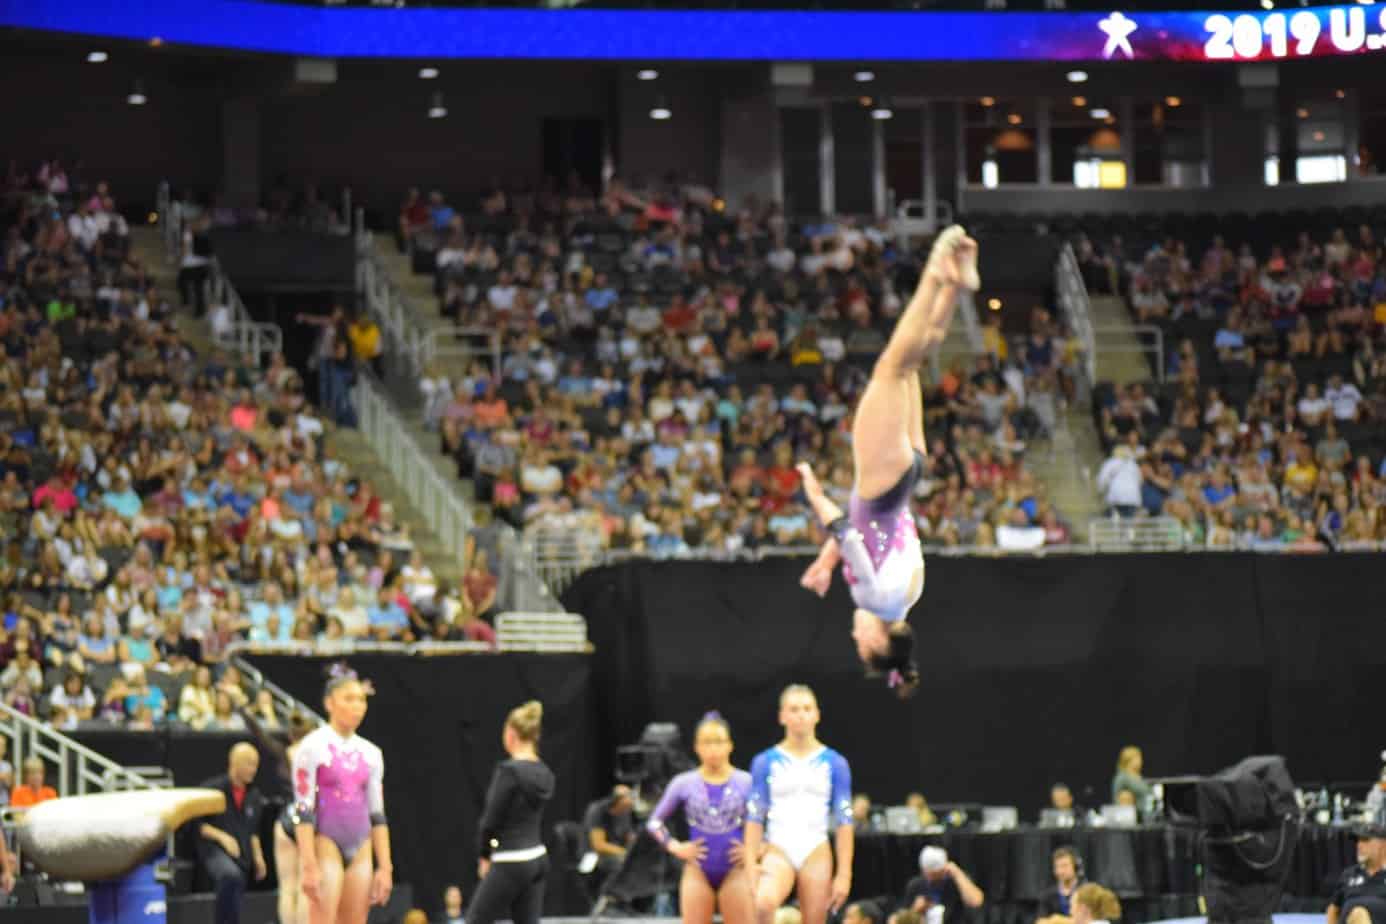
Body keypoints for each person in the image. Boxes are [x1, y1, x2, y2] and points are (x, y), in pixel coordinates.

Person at [795, 227, 980, 699]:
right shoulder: (873, 598)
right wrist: (814, 493)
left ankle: (954, 286)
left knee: (909, 364)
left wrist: (824, 563)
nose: (853, 635)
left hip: (907, 475)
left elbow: (866, 540)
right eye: (860, 645)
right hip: (881, 487)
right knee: (892, 366)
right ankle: (935, 272)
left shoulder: (907, 596)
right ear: (878, 642)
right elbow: (847, 531)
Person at [744, 685, 854, 924]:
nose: (801, 715)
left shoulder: (835, 763)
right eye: (794, 709)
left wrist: (844, 874)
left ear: (817, 715)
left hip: (815, 849)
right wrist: (750, 863)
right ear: (782, 716)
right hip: (778, 848)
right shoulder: (765, 762)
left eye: (806, 709)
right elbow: (754, 816)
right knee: (763, 902)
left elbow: (845, 821)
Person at [294, 664, 393, 924]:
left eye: (361, 699)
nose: (357, 706)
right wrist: (308, 865)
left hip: (361, 845)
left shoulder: (372, 753)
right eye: (348, 699)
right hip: (326, 841)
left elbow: (377, 813)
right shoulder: (312, 747)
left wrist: (385, 867)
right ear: (329, 703)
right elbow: (303, 809)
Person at [647, 712, 755, 924]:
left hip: (736, 869)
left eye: (719, 742)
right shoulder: (684, 783)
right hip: (698, 870)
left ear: (730, 745)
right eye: (706, 742)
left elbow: (770, 822)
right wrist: (674, 846)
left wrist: (754, 851)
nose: (713, 749)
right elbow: (654, 822)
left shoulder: (746, 782)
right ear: (697, 747)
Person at [469, 700, 555, 924]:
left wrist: (485, 855)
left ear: (511, 734)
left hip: (511, 859)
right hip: (537, 858)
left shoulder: (509, 772)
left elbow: (490, 822)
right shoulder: (545, 772)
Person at [198, 742, 269, 924]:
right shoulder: (212, 790)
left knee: (237, 882)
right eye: (249, 763)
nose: (253, 769)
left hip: (241, 854)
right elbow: (198, 825)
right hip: (214, 850)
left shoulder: (254, 795)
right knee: (230, 875)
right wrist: (222, 837)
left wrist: (258, 856)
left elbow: (254, 831)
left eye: (256, 765)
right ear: (234, 762)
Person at [1326, 815, 1386, 924]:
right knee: (1358, 913)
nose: (1359, 845)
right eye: (1358, 841)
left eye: (1365, 840)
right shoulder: (1349, 874)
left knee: (1359, 913)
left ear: (1382, 844)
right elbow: (1333, 909)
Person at [903, 847, 985, 924]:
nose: (931, 879)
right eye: (928, 873)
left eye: (936, 874)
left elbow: (976, 902)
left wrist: (957, 873)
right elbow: (901, 919)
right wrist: (915, 910)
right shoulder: (915, 885)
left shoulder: (956, 881)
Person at [584, 784, 637, 882]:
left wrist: (637, 846)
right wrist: (624, 852)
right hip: (594, 855)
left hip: (617, 852)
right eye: (629, 796)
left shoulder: (625, 812)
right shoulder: (597, 811)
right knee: (624, 865)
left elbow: (629, 836)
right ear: (618, 800)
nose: (633, 799)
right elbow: (598, 845)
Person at [1036, 847, 1085, 924]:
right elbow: (1040, 922)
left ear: (1076, 867)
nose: (1060, 871)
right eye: (1057, 867)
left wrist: (1057, 920)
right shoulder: (1048, 895)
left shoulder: (1086, 892)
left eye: (1064, 866)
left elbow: (1089, 921)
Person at [1111, 746, 1152, 817]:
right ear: (1129, 760)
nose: (1141, 761)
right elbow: (1119, 797)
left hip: (1147, 814)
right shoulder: (1122, 778)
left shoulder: (1140, 777)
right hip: (1132, 816)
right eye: (1138, 758)